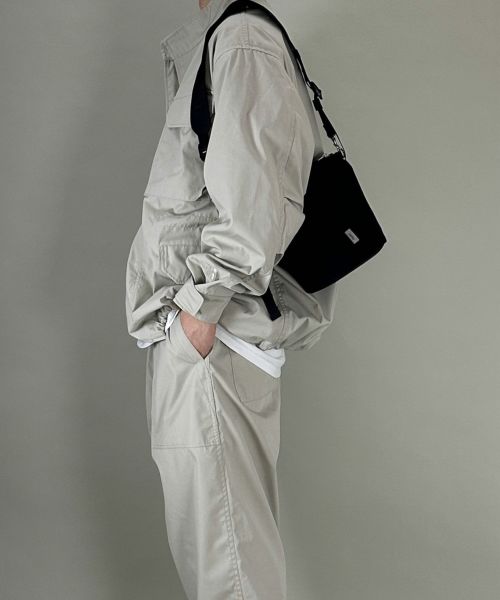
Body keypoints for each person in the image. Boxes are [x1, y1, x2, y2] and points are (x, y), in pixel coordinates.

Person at [125, 0, 339, 597]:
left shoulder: (242, 38)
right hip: (203, 338)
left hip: (214, 340)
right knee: (219, 560)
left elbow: (255, 196)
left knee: (229, 573)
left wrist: (198, 315)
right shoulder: (223, 36)